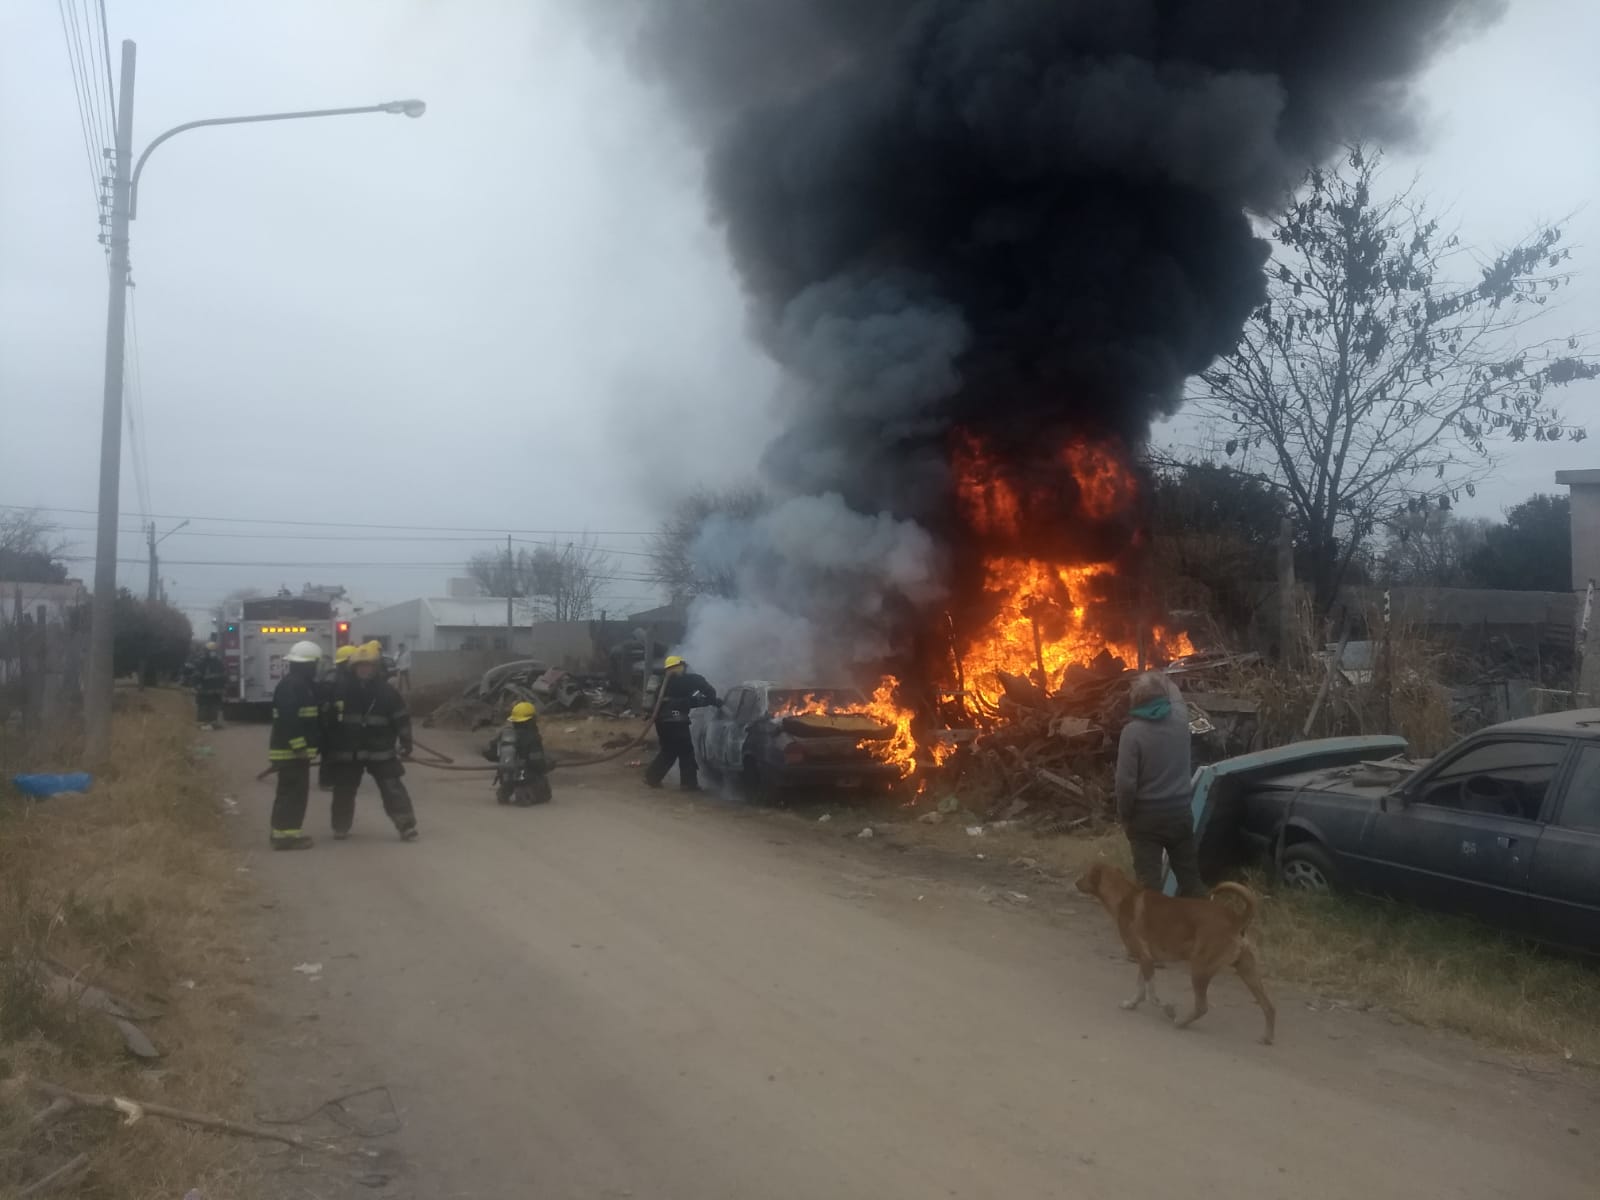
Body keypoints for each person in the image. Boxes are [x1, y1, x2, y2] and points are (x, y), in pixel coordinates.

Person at [1115, 671, 1202, 896]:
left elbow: (1126, 784)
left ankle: (1151, 928)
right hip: (1180, 814)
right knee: (1190, 879)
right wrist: (1161, 676)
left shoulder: (1132, 733)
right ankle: (1206, 924)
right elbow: (1176, 695)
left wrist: (1125, 815)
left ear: (1136, 701)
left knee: (1149, 886)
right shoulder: (1181, 720)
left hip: (1146, 820)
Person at [326, 641, 419, 841]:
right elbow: (329, 720)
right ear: (353, 668)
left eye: (368, 666)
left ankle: (406, 826)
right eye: (360, 666)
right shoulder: (341, 690)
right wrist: (328, 746)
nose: (364, 669)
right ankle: (340, 827)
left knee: (392, 787)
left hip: (380, 749)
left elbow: (401, 718)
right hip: (348, 750)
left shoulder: (387, 692)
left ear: (375, 668)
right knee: (344, 789)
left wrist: (406, 742)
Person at [267, 640, 325, 851]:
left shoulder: (298, 684)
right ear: (309, 664)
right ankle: (286, 837)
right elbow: (289, 719)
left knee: (292, 794)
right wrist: (299, 746)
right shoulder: (294, 685)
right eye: (315, 664)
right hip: (291, 753)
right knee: (293, 795)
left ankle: (283, 833)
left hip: (292, 752)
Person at [644, 655, 717, 792]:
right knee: (686, 751)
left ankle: (652, 777)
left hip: (661, 722)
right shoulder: (686, 680)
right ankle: (688, 784)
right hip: (676, 722)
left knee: (669, 750)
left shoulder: (663, 683)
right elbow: (703, 691)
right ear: (680, 666)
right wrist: (712, 699)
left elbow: (679, 701)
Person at [482, 700, 552, 805]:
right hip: (527, 778)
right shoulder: (532, 737)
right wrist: (549, 765)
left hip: (506, 778)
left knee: (508, 779)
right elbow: (537, 763)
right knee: (546, 794)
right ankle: (528, 794)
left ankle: (506, 792)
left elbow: (490, 754)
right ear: (531, 720)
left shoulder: (506, 734)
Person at [318, 644, 358, 793]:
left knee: (342, 752)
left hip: (343, 723)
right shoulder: (333, 677)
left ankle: (338, 779)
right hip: (332, 723)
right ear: (345, 661)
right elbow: (325, 701)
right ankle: (326, 781)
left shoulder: (349, 677)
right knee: (329, 753)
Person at [189, 641, 226, 729]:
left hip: (216, 690)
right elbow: (196, 676)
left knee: (214, 706)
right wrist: (196, 685)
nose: (212, 653)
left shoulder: (219, 662)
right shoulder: (202, 662)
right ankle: (203, 723)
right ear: (206, 651)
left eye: (214, 651)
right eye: (210, 651)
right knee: (204, 706)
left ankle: (213, 723)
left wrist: (223, 686)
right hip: (204, 690)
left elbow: (223, 675)